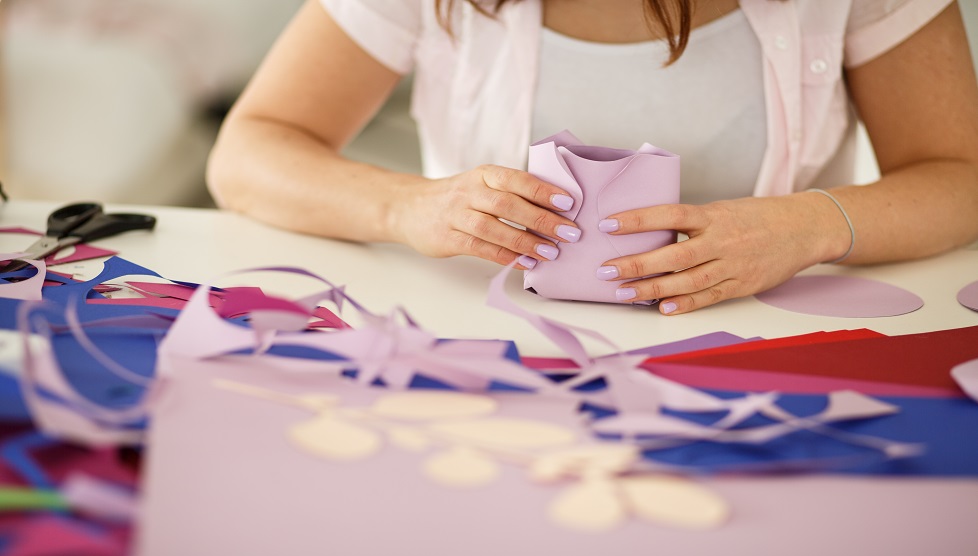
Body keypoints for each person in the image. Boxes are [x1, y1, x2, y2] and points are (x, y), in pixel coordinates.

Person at [207, 0, 978, 315]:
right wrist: (409, 205)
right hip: (490, 357)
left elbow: (962, 176)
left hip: (764, 362)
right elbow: (248, 151)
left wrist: (812, 224)